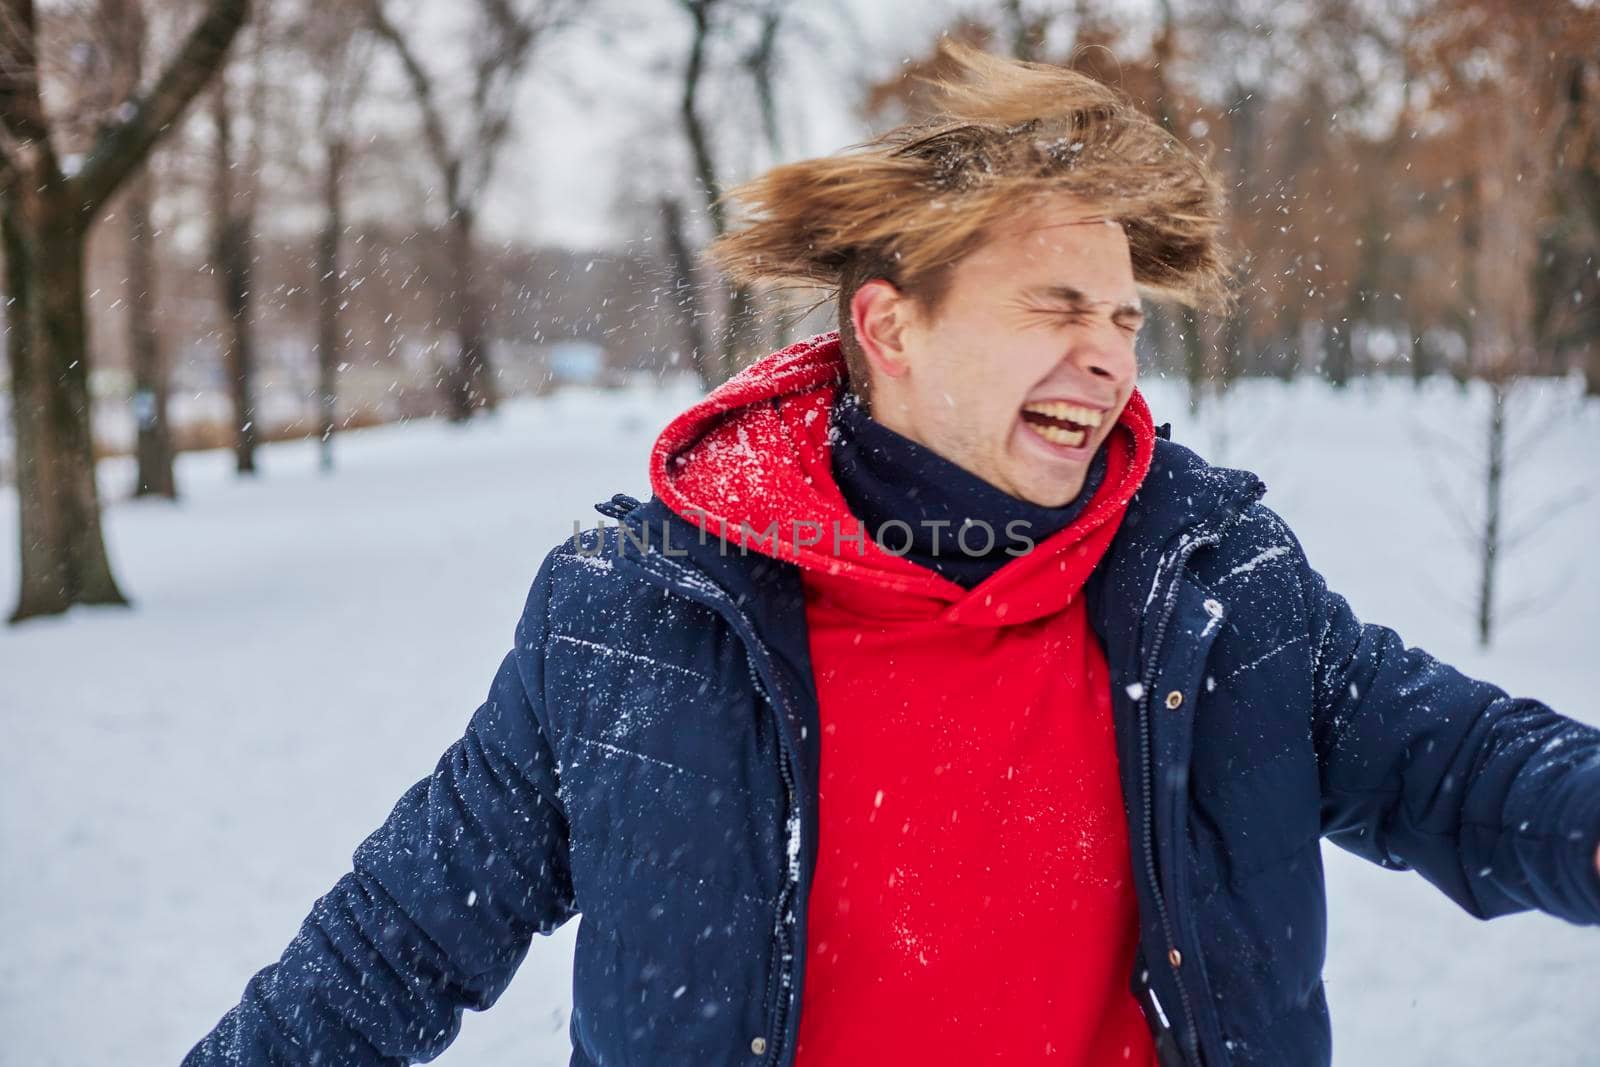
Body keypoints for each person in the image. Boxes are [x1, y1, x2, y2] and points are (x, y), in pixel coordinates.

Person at [186, 43, 1600, 1067]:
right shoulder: (644, 615)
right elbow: (395, 946)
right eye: (1059, 303)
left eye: (1123, 319)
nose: (1108, 357)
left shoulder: (1212, 584)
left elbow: (1467, 773)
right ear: (891, 326)